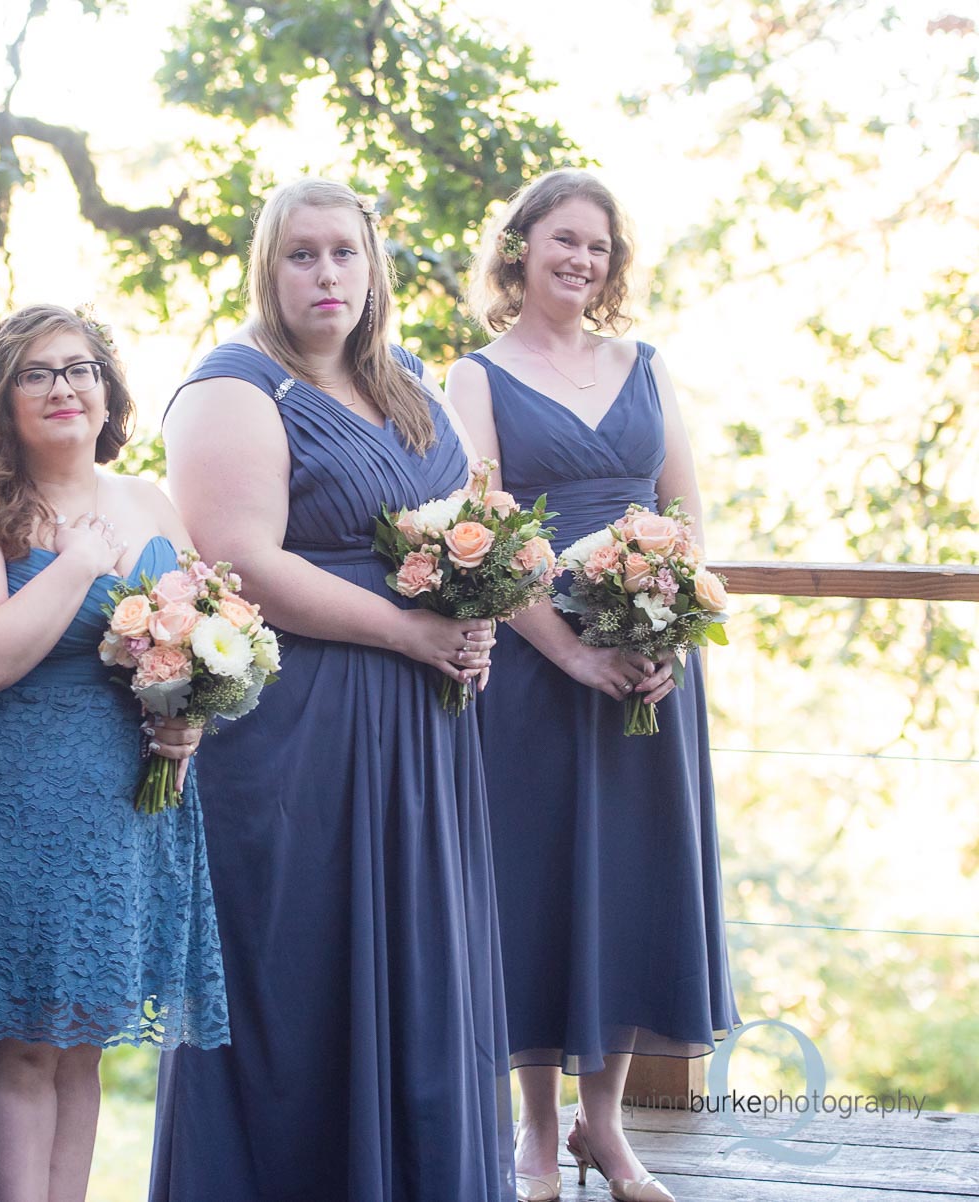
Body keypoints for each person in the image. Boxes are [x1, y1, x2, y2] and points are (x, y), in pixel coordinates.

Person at [152, 177, 513, 1201]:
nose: (326, 273)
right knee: (298, 972)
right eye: (301, 253)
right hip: (300, 724)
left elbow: (466, 519)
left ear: (372, 265)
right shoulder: (233, 387)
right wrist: (410, 630)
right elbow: (240, 559)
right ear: (268, 267)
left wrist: (475, 613)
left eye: (344, 253)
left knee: (419, 969)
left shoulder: (403, 378)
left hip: (423, 723)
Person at [446, 168, 738, 1202]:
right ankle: (533, 1135)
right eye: (563, 239)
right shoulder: (475, 376)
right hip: (535, 668)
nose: (580, 259)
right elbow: (481, 535)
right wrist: (569, 650)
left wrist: (669, 628)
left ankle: (604, 1128)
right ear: (519, 246)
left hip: (649, 663)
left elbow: (688, 516)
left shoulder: (643, 366)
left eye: (598, 247)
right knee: (536, 882)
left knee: (631, 881)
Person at [0, 304, 229, 1202]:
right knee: (19, 1041)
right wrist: (77, 564)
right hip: (7, 798)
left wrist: (190, 719)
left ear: (108, 392)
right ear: (1, 397)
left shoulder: (148, 501)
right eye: (36, 373)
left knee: (80, 1040)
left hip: (123, 803)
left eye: (80, 370)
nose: (64, 388)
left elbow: (205, 642)